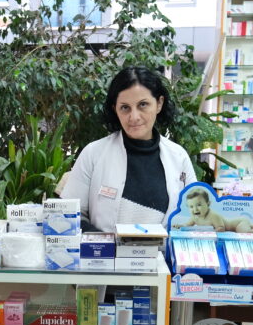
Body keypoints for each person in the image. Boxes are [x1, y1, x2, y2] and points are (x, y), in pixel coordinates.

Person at [59, 66, 196, 233]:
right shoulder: (93, 153)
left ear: (159, 104)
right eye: (125, 107)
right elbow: (68, 214)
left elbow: (193, 217)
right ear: (114, 109)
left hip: (161, 258)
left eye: (143, 105)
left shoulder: (178, 157)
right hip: (103, 256)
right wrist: (108, 247)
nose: (134, 117)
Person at [176, 187, 253, 233]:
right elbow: (188, 225)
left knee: (245, 233)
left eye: (199, 205)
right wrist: (180, 226)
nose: (195, 209)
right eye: (191, 207)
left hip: (237, 224)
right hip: (240, 221)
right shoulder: (195, 216)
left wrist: (210, 233)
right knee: (248, 227)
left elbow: (221, 228)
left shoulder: (213, 215)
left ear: (208, 204)